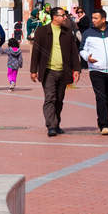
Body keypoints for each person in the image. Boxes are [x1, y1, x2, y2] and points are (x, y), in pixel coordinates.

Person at [31, 7, 81, 137]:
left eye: (65, 15)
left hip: (64, 71)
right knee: (50, 98)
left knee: (59, 99)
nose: (65, 18)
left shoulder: (67, 31)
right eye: (62, 15)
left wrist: (76, 69)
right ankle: (51, 126)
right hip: (48, 71)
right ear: (54, 17)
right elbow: (36, 51)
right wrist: (33, 70)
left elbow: (74, 52)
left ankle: (56, 123)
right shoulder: (42, 31)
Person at [79, 9, 108, 136]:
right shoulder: (88, 33)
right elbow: (82, 49)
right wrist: (88, 57)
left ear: (103, 19)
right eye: (92, 18)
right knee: (100, 97)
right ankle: (105, 125)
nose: (93, 20)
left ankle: (101, 119)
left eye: (96, 18)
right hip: (96, 70)